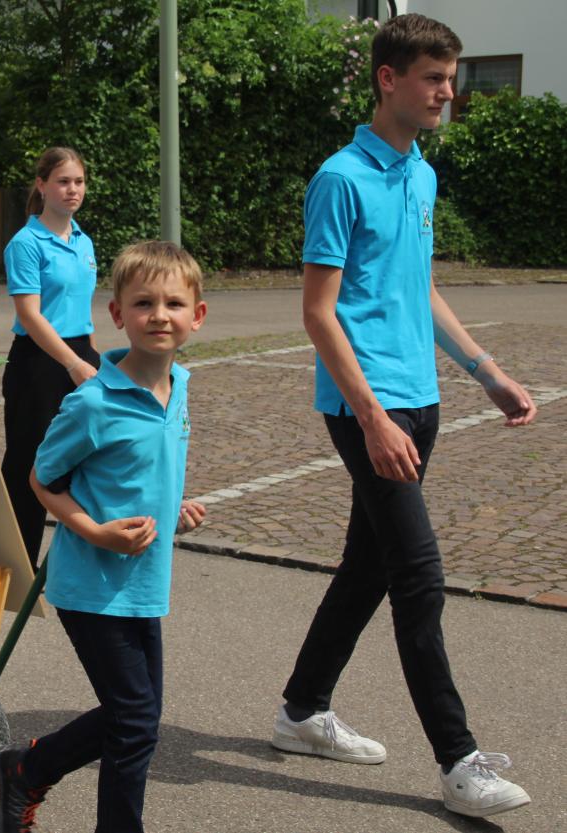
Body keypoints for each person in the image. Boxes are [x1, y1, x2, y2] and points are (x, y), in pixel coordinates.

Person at [271, 14, 535, 820]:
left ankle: (300, 709)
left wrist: (485, 372)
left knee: (370, 567)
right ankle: (459, 763)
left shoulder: (418, 173)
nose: (447, 92)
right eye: (432, 78)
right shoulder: (340, 177)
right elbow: (319, 312)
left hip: (420, 402)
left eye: (450, 79)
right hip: (368, 408)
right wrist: (372, 416)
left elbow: (418, 288)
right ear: (389, 78)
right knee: (419, 576)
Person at [0, 240, 208, 833]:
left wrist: (173, 504)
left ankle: (24, 769)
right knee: (135, 720)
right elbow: (41, 477)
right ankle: (37, 777)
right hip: (91, 583)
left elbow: (143, 466)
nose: (159, 315)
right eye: (143, 303)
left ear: (197, 315)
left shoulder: (180, 385)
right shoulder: (91, 402)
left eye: (172, 304)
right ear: (117, 314)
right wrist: (92, 530)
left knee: (134, 719)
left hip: (145, 578)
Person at [0, 147, 99, 571]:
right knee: (29, 460)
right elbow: (30, 314)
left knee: (84, 455)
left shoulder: (83, 239)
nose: (72, 189)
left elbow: (82, 309)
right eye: (63, 181)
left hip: (79, 352)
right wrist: (72, 364)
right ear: (42, 186)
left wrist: (91, 357)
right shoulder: (25, 243)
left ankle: (82, 549)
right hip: (38, 361)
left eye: (78, 181)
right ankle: (15, 560)